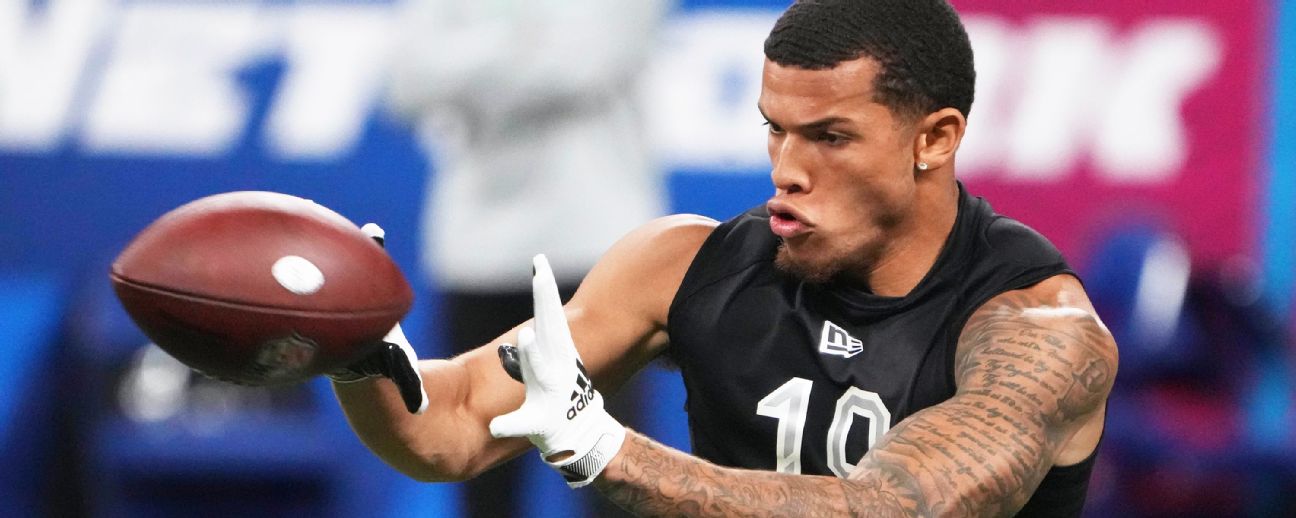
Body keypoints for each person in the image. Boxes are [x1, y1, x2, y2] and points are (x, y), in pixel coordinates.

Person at [332, 0, 1119, 516]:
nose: (787, 169)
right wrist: (360, 353)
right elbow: (458, 424)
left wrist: (608, 450)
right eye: (776, 128)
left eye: (831, 138)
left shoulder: (1037, 330)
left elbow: (896, 506)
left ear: (936, 138)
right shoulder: (685, 267)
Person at [380, 1, 671, 515]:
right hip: (475, 254)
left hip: (597, 247)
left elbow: (582, 68)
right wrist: (527, 39)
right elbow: (405, 85)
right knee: (481, 478)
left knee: (615, 475)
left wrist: (468, 47)